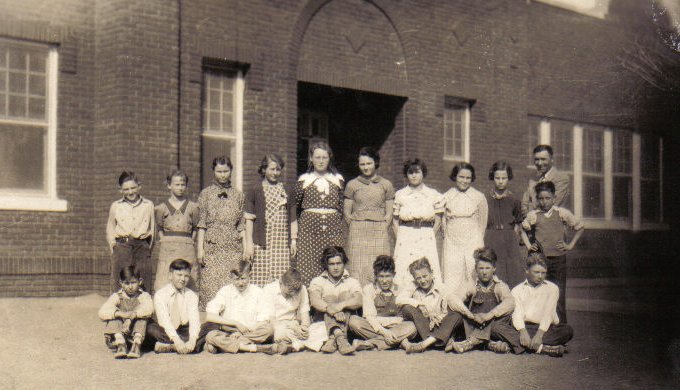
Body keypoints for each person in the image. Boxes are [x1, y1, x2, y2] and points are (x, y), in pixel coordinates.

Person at [520, 181, 584, 323]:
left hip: (558, 260)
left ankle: (560, 327)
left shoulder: (562, 213)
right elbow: (522, 230)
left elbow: (580, 227)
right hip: (539, 262)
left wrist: (570, 245)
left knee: (558, 294)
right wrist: (529, 246)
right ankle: (538, 325)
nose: (544, 202)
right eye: (541, 199)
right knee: (539, 293)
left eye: (547, 198)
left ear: (554, 198)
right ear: (537, 199)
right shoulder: (533, 215)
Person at [196, 156, 246, 308]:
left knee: (230, 287)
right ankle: (210, 325)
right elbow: (202, 224)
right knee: (210, 286)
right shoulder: (205, 194)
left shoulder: (238, 195)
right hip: (212, 247)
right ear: (214, 171)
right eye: (219, 171)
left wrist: (245, 248)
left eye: (226, 171)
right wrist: (200, 249)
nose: (222, 175)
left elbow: (241, 225)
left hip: (232, 247)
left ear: (231, 171)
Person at [446, 248, 516, 354]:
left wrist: (489, 315)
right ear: (476, 269)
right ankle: (489, 344)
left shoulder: (500, 286)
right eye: (481, 268)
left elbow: (510, 303)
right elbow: (453, 298)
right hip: (474, 323)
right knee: (457, 313)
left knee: (502, 319)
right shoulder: (471, 285)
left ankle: (472, 342)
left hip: (492, 323)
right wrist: (468, 314)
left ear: (494, 268)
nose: (484, 272)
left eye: (487, 268)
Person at [201, 260, 280, 354]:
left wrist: (243, 332)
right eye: (236, 279)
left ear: (250, 275)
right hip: (229, 332)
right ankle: (253, 348)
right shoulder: (225, 291)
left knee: (269, 330)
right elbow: (210, 316)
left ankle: (225, 346)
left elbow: (264, 320)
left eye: (243, 278)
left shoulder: (258, 292)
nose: (240, 283)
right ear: (231, 278)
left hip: (250, 331)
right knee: (211, 335)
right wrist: (235, 323)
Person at [294, 142, 345, 286]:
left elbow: (341, 205)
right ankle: (310, 304)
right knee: (309, 264)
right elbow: (297, 205)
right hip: (309, 229)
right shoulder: (304, 180)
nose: (321, 161)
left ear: (329, 159)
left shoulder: (337, 179)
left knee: (333, 260)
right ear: (311, 159)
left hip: (332, 229)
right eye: (317, 157)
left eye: (324, 157)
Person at [343, 147, 395, 286]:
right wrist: (355, 225)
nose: (366, 167)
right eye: (362, 164)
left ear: (376, 163)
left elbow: (389, 213)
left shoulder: (386, 184)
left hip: (378, 230)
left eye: (369, 163)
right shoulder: (352, 185)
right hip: (358, 231)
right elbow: (347, 213)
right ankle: (358, 302)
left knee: (378, 264)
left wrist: (383, 225)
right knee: (357, 266)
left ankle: (379, 298)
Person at [244, 154, 296, 287]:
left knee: (280, 279)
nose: (275, 173)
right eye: (272, 169)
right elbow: (249, 219)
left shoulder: (287, 190)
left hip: (281, 242)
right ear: (263, 170)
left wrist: (293, 241)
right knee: (259, 278)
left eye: (278, 169)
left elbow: (292, 217)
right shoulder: (255, 190)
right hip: (261, 242)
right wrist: (249, 244)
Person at [509, 253, 574, 357]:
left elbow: (549, 313)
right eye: (536, 272)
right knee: (496, 327)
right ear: (527, 271)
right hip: (524, 327)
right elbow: (517, 314)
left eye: (543, 273)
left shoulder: (553, 288)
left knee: (567, 331)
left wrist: (539, 335)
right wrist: (522, 331)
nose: (540, 276)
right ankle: (542, 348)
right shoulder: (517, 290)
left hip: (546, 328)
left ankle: (515, 344)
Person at [392, 159, 443, 288]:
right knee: (403, 267)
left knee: (426, 265)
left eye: (417, 172)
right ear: (406, 174)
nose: (414, 176)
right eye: (410, 172)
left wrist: (429, 235)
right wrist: (401, 238)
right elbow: (395, 221)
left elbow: (438, 220)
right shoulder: (400, 194)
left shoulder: (433, 194)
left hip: (425, 235)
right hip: (405, 234)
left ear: (423, 173)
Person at [348, 255, 417, 351]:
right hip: (375, 327)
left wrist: (388, 325)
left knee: (412, 327)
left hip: (396, 327)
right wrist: (385, 332)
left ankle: (369, 344)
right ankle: (400, 341)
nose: (384, 281)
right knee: (353, 321)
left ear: (394, 274)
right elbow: (370, 317)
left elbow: (403, 318)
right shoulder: (369, 289)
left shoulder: (401, 288)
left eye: (388, 276)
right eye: (381, 276)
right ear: (375, 275)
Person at [396, 257, 462, 354]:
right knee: (407, 308)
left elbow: (448, 308)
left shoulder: (442, 287)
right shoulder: (413, 286)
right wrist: (419, 305)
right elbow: (398, 300)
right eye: (418, 278)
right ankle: (442, 340)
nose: (422, 281)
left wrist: (438, 317)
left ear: (431, 273)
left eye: (425, 276)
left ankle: (424, 344)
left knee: (457, 315)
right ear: (414, 278)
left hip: (438, 324)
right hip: (422, 325)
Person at [106, 171, 155, 293]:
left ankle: (145, 310)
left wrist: (147, 248)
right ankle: (117, 310)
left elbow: (153, 229)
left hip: (142, 247)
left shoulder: (148, 205)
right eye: (126, 189)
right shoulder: (116, 206)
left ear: (139, 186)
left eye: (133, 188)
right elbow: (111, 227)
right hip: (122, 246)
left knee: (144, 280)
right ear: (120, 190)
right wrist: (114, 246)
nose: (130, 192)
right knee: (119, 281)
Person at [442, 162, 488, 291]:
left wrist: (478, 240)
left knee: (472, 269)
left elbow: (483, 223)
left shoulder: (479, 197)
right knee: (453, 272)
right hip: (452, 241)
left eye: (468, 178)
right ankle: (453, 305)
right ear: (455, 177)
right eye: (461, 177)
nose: (464, 181)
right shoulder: (446, 196)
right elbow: (443, 222)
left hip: (473, 239)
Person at [308, 246, 362, 355]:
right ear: (326, 265)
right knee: (329, 299)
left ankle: (334, 336)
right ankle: (340, 336)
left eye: (339, 263)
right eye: (332, 264)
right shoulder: (318, 281)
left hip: (347, 323)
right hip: (323, 323)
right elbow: (314, 300)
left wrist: (341, 305)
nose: (336, 267)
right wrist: (332, 309)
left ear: (344, 263)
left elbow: (358, 301)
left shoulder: (352, 281)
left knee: (344, 296)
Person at [154, 170, 200, 293]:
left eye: (183, 184)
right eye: (177, 184)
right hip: (168, 247)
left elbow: (196, 227)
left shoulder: (193, 207)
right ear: (169, 185)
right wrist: (163, 239)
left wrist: (191, 241)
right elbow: (159, 227)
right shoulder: (161, 208)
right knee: (165, 275)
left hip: (186, 246)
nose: (180, 188)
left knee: (188, 275)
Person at [146, 259, 202, 354]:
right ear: (170, 275)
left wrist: (192, 340)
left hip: (184, 330)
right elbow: (164, 321)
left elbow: (194, 320)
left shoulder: (191, 295)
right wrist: (177, 340)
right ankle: (183, 346)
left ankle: (170, 347)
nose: (183, 279)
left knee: (206, 328)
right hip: (165, 331)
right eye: (179, 275)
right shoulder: (160, 294)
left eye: (186, 276)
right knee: (150, 329)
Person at [98, 265, 153, 359]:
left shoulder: (143, 296)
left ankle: (136, 345)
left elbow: (149, 309)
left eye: (133, 282)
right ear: (121, 283)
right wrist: (121, 314)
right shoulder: (117, 296)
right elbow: (102, 312)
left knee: (143, 318)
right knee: (113, 317)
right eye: (127, 283)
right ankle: (121, 344)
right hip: (121, 331)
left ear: (140, 281)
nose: (130, 287)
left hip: (137, 332)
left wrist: (131, 318)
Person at [484, 161, 524, 287]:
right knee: (494, 270)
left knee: (512, 273)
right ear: (492, 178)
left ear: (509, 178)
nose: (500, 181)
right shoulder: (485, 199)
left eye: (504, 178)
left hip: (509, 239)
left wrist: (514, 238)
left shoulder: (514, 200)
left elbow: (519, 222)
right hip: (491, 237)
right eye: (497, 178)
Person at [262, 268, 311, 354]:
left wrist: (304, 329)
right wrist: (294, 329)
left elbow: (305, 314)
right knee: (279, 333)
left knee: (320, 330)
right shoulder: (269, 289)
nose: (292, 295)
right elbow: (272, 320)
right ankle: (296, 344)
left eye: (296, 292)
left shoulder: (302, 289)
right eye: (289, 291)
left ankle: (291, 345)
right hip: (277, 325)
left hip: (295, 324)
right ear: (281, 282)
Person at [522, 144, 571, 215]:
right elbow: (524, 203)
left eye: (543, 159)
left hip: (552, 224)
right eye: (537, 159)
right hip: (530, 223)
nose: (539, 163)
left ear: (552, 159)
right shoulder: (533, 179)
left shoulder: (561, 178)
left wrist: (530, 209)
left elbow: (549, 206)